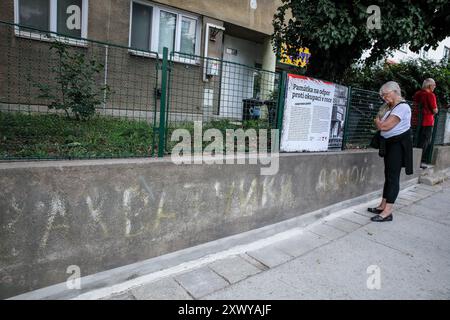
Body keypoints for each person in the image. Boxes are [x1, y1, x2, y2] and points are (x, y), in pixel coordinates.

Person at [368, 81, 413, 222]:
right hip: (390, 145)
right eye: (382, 95)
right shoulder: (390, 107)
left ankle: (388, 212)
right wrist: (379, 122)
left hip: (398, 146)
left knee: (393, 178)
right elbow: (379, 121)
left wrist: (379, 123)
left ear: (394, 91)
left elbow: (384, 126)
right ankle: (382, 205)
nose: (383, 97)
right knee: (388, 175)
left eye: (385, 94)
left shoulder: (403, 107)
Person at [413, 78, 438, 169]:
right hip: (427, 121)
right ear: (429, 85)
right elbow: (435, 110)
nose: (435, 87)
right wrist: (436, 110)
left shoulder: (417, 94)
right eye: (434, 85)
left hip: (416, 120)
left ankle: (411, 159)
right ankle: (418, 162)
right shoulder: (430, 95)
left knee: (416, 140)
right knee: (424, 142)